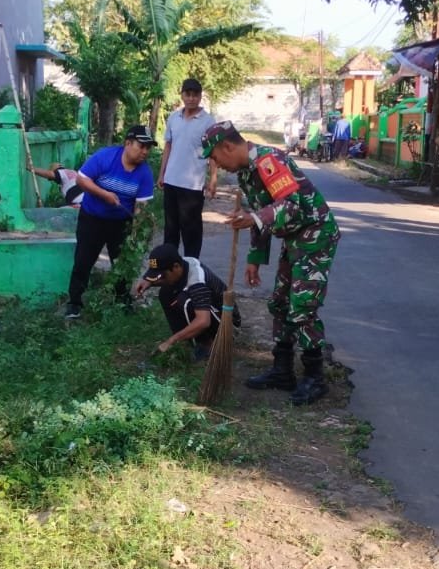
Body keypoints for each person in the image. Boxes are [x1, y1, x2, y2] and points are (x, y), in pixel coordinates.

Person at [203, 121, 339, 406]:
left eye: (215, 157)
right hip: (294, 238)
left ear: (227, 147)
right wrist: (254, 258)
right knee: (279, 302)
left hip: (315, 235)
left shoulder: (268, 162)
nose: (216, 164)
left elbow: (290, 204)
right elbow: (261, 213)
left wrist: (254, 218)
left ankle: (315, 377)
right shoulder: (246, 173)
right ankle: (282, 370)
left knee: (302, 305)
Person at [65, 125, 157, 319]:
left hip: (120, 223)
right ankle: (74, 304)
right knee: (83, 261)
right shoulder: (105, 157)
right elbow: (81, 180)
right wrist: (104, 194)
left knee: (122, 263)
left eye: (148, 148)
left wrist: (136, 233)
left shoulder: (145, 173)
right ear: (128, 143)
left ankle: (122, 301)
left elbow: (141, 208)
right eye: (141, 146)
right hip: (92, 218)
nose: (145, 151)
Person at [133, 242, 240, 362]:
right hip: (210, 311)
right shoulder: (183, 263)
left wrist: (171, 341)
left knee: (184, 301)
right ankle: (185, 341)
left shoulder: (197, 281)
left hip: (227, 324)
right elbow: (167, 279)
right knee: (165, 293)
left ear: (176, 267)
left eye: (162, 276)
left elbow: (203, 321)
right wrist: (149, 282)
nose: (161, 279)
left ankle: (208, 344)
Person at [158, 78, 218, 259]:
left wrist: (213, 179)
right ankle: (169, 267)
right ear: (182, 95)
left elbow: (213, 152)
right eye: (188, 94)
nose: (191, 98)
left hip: (192, 186)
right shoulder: (173, 118)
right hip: (171, 181)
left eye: (195, 95)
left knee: (191, 230)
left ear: (200, 96)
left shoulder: (208, 121)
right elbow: (168, 146)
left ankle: (192, 267)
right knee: (171, 228)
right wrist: (162, 173)